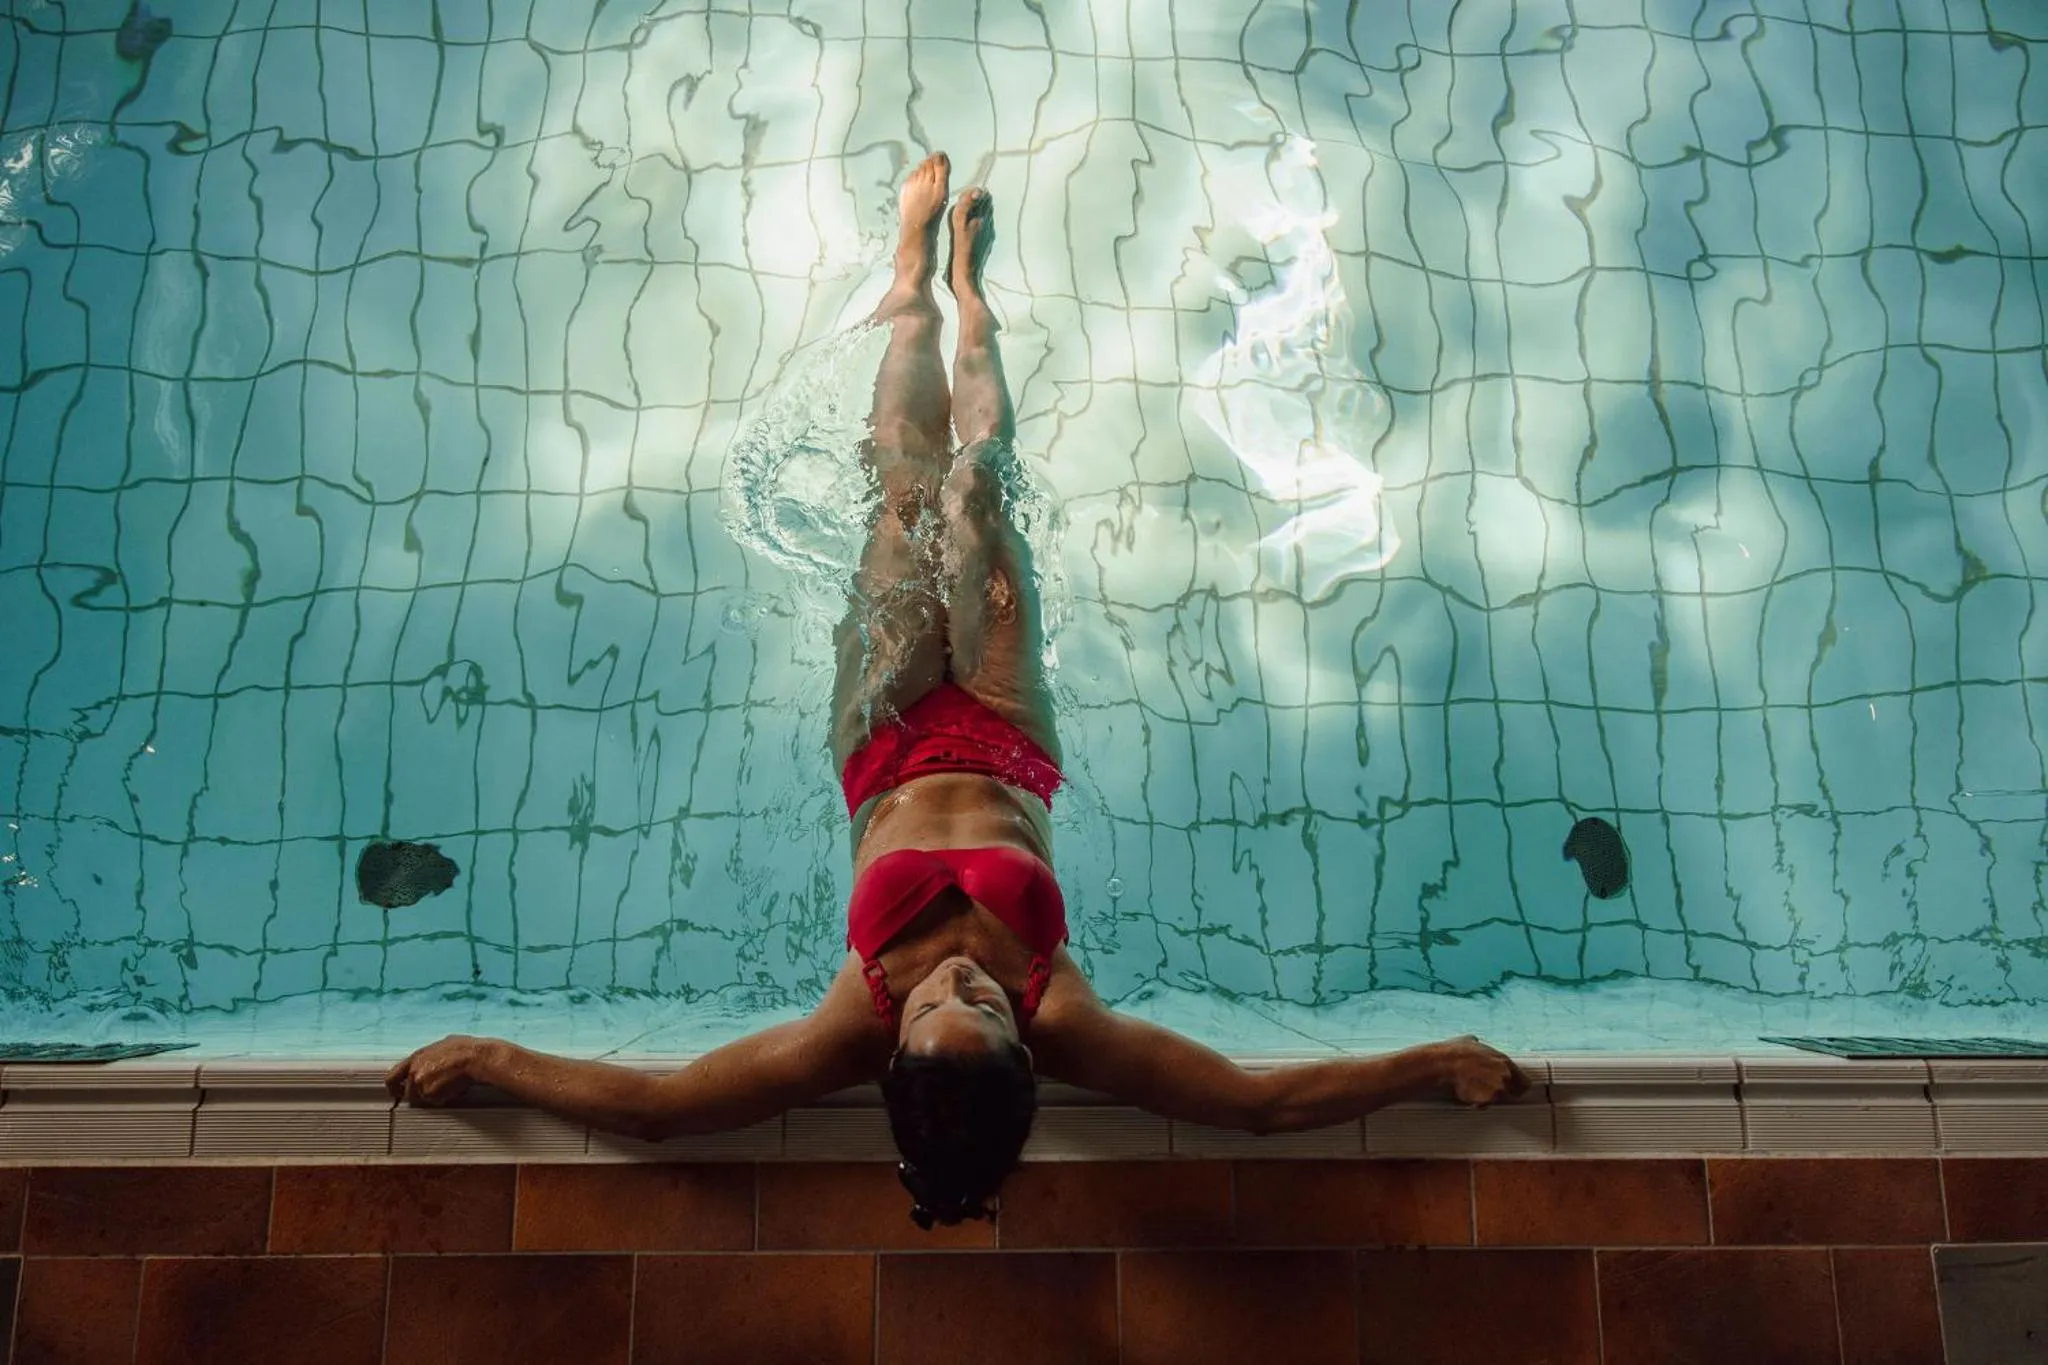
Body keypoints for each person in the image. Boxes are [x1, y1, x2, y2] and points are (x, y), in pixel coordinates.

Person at [386, 153, 1528, 1229]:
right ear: (1022, 1052)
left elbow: (657, 1110)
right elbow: (1255, 1106)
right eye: (983, 1011)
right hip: (1004, 739)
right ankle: (973, 303)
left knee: (898, 503)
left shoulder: (853, 1024)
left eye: (944, 1007)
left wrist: (490, 1058)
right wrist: (1432, 1062)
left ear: (898, 1048)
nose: (965, 983)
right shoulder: (1061, 1013)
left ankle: (908, 284)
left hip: (881, 745)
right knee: (976, 495)